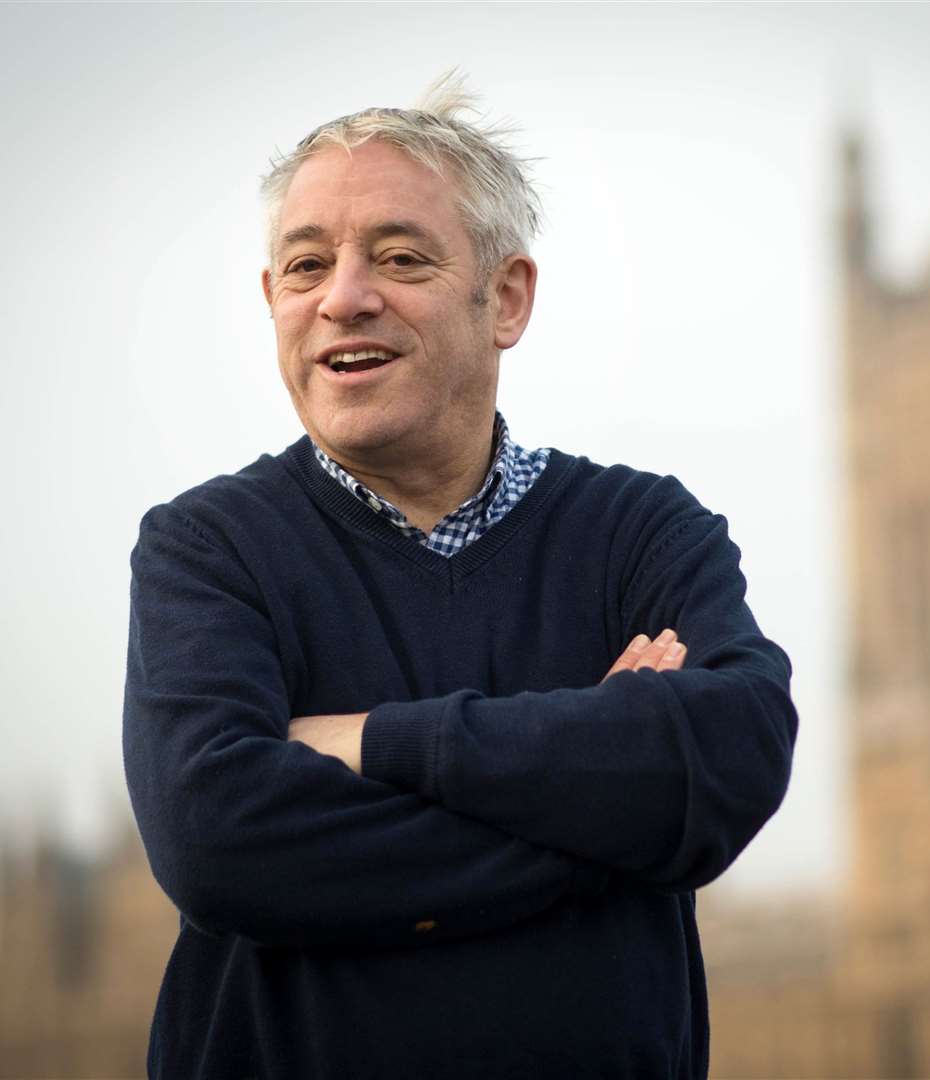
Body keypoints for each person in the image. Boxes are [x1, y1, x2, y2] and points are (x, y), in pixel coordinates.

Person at [122, 75, 797, 1079]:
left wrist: (373, 742)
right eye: (306, 265)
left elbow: (733, 755)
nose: (344, 295)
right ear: (274, 303)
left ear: (508, 299)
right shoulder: (209, 551)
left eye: (399, 257)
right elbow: (217, 840)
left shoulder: (641, 530)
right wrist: (605, 813)